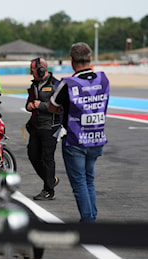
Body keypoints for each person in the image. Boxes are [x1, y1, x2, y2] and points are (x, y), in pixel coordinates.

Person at [49, 42, 110, 222]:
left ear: (71, 61)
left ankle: (88, 222)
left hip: (75, 140)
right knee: (89, 180)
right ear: (90, 59)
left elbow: (53, 106)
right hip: (96, 137)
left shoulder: (68, 83)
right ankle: (91, 217)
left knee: (80, 183)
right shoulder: (103, 79)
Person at [25, 57, 60, 200]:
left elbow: (59, 108)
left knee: (47, 158)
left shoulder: (56, 84)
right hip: (35, 125)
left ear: (41, 69)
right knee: (32, 154)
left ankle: (48, 191)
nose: (31, 73)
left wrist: (41, 105)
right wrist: (29, 106)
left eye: (32, 70)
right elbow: (30, 102)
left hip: (50, 126)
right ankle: (51, 179)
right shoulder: (34, 85)